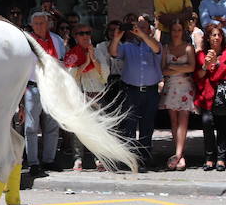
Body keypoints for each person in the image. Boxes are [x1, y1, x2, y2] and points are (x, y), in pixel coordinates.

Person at [109, 14, 162, 170]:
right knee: (129, 127)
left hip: (150, 91)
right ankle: (130, 160)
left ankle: (145, 159)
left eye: (143, 27)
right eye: (136, 28)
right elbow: (113, 53)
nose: (138, 30)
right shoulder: (127, 46)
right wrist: (117, 37)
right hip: (131, 91)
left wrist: (143, 35)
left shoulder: (153, 43)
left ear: (149, 30)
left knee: (147, 126)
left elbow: (157, 49)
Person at [23, 12, 65, 175]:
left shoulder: (57, 40)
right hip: (32, 87)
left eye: (42, 23)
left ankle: (49, 160)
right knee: (31, 126)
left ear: (48, 24)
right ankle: (33, 162)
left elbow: (62, 60)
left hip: (52, 87)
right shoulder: (26, 41)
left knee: (52, 126)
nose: (40, 26)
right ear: (32, 25)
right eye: (36, 23)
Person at [65, 24, 108, 171]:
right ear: (75, 37)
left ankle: (99, 158)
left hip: (96, 94)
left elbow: (105, 73)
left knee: (98, 127)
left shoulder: (98, 51)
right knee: (79, 129)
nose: (85, 36)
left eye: (88, 33)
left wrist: (93, 59)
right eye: (81, 33)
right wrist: (85, 63)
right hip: (80, 95)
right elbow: (70, 76)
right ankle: (78, 158)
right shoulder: (72, 53)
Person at [193, 23, 226, 172]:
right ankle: (209, 157)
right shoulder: (200, 54)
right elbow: (198, 75)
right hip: (207, 95)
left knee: (223, 127)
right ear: (208, 38)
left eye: (219, 35)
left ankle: (221, 159)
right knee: (207, 125)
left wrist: (216, 64)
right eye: (213, 35)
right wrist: (206, 65)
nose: (216, 38)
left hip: (224, 96)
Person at [158, 19, 196, 171]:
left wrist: (172, 67)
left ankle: (179, 154)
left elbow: (192, 67)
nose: (176, 33)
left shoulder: (188, 47)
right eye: (174, 30)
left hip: (185, 87)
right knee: (173, 121)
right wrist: (181, 68)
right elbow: (163, 70)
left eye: (179, 30)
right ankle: (178, 153)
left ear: (183, 31)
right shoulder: (166, 48)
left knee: (183, 121)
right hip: (171, 86)